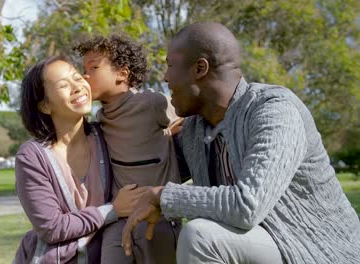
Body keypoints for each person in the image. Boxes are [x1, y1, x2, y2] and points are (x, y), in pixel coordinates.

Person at [122, 22, 360, 264]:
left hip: (315, 251)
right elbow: (157, 171)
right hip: (266, 247)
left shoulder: (274, 110)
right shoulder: (195, 129)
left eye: (170, 66)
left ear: (200, 68)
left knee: (201, 237)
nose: (165, 78)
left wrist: (164, 198)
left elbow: (247, 205)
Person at [12, 56, 148, 264]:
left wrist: (165, 135)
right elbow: (52, 228)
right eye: (64, 85)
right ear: (45, 106)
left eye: (77, 78)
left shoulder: (107, 136)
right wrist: (112, 210)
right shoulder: (31, 157)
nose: (77, 87)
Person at [73, 35, 182, 263]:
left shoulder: (151, 104)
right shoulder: (100, 118)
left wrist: (170, 133)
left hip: (158, 217)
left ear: (122, 74)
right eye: (84, 69)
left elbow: (185, 116)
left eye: (94, 67)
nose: (84, 76)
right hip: (119, 217)